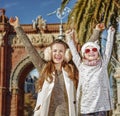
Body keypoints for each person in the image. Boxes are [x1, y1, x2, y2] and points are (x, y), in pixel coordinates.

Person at [9, 16, 77, 116]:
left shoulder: (70, 69)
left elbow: (84, 55)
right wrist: (17, 27)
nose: (57, 54)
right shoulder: (44, 68)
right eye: (55, 51)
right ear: (49, 53)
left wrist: (96, 31)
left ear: (66, 54)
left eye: (61, 51)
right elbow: (30, 49)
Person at [65, 25, 115, 116]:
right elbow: (74, 53)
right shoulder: (81, 66)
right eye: (87, 51)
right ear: (84, 55)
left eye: (94, 49)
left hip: (101, 108)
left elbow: (108, 50)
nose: (91, 52)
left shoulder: (102, 65)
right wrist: (69, 39)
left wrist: (110, 34)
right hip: (86, 108)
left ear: (98, 53)